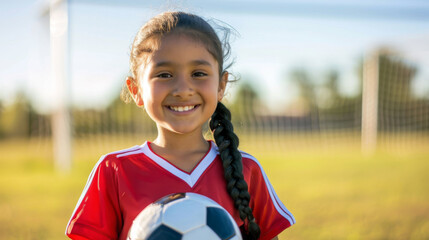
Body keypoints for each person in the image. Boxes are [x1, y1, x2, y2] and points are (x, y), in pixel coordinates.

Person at [66, 11, 295, 240]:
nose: (183, 89)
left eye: (198, 73)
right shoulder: (113, 171)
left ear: (221, 86)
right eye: (164, 74)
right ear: (136, 90)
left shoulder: (246, 169)